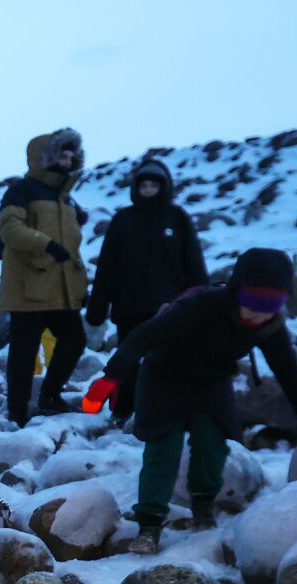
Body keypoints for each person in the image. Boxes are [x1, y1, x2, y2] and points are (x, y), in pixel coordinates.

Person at [83, 248, 297, 554]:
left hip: (211, 382)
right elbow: (144, 336)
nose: (258, 314)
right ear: (236, 292)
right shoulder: (201, 306)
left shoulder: (269, 324)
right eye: (253, 303)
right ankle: (149, 523)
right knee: (163, 448)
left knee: (212, 443)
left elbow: (287, 370)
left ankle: (203, 507)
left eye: (270, 306)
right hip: (164, 378)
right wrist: (112, 377)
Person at [87, 159, 208, 420]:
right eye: (145, 184)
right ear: (136, 187)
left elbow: (194, 262)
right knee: (128, 361)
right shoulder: (123, 220)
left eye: (155, 184)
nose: (149, 189)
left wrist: (203, 302)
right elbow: (107, 266)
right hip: (129, 306)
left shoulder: (177, 218)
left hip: (170, 307)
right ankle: (123, 410)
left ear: (164, 187)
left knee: (168, 361)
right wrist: (97, 307)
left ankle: (164, 409)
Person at [0, 128, 90, 426]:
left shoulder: (66, 198)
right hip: (28, 287)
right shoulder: (21, 190)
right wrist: (46, 245)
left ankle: (50, 396)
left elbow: (72, 247)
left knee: (74, 340)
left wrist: (79, 282)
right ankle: (17, 411)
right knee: (23, 353)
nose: (68, 159)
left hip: (59, 289)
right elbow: (10, 230)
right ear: (44, 156)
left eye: (70, 153)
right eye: (61, 153)